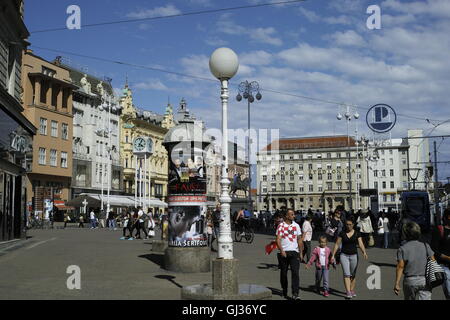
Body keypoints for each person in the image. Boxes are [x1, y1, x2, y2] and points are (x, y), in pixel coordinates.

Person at [394, 221, 435, 300]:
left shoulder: (402, 249)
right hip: (425, 280)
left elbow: (400, 266)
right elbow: (433, 261)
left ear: (405, 234)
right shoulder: (426, 246)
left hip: (410, 280)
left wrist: (397, 283)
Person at [331, 218, 368, 299]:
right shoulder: (342, 233)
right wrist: (333, 255)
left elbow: (361, 244)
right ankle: (348, 292)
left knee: (353, 275)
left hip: (354, 256)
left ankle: (351, 290)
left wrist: (364, 252)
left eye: (350, 224)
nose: (348, 226)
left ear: (353, 224)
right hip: (344, 255)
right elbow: (337, 244)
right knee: (346, 274)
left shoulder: (357, 233)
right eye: (347, 224)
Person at [276, 209, 303, 300]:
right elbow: (278, 239)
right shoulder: (281, 226)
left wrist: (301, 252)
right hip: (284, 252)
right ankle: (284, 289)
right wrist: (282, 250)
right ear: (287, 216)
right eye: (292, 214)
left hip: (294, 252)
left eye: (293, 214)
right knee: (283, 273)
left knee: (295, 273)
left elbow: (299, 239)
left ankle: (295, 293)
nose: (294, 216)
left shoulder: (296, 226)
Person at [430, 208, 450, 299]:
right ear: (448, 217)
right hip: (444, 267)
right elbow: (434, 251)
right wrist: (447, 258)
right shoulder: (439, 230)